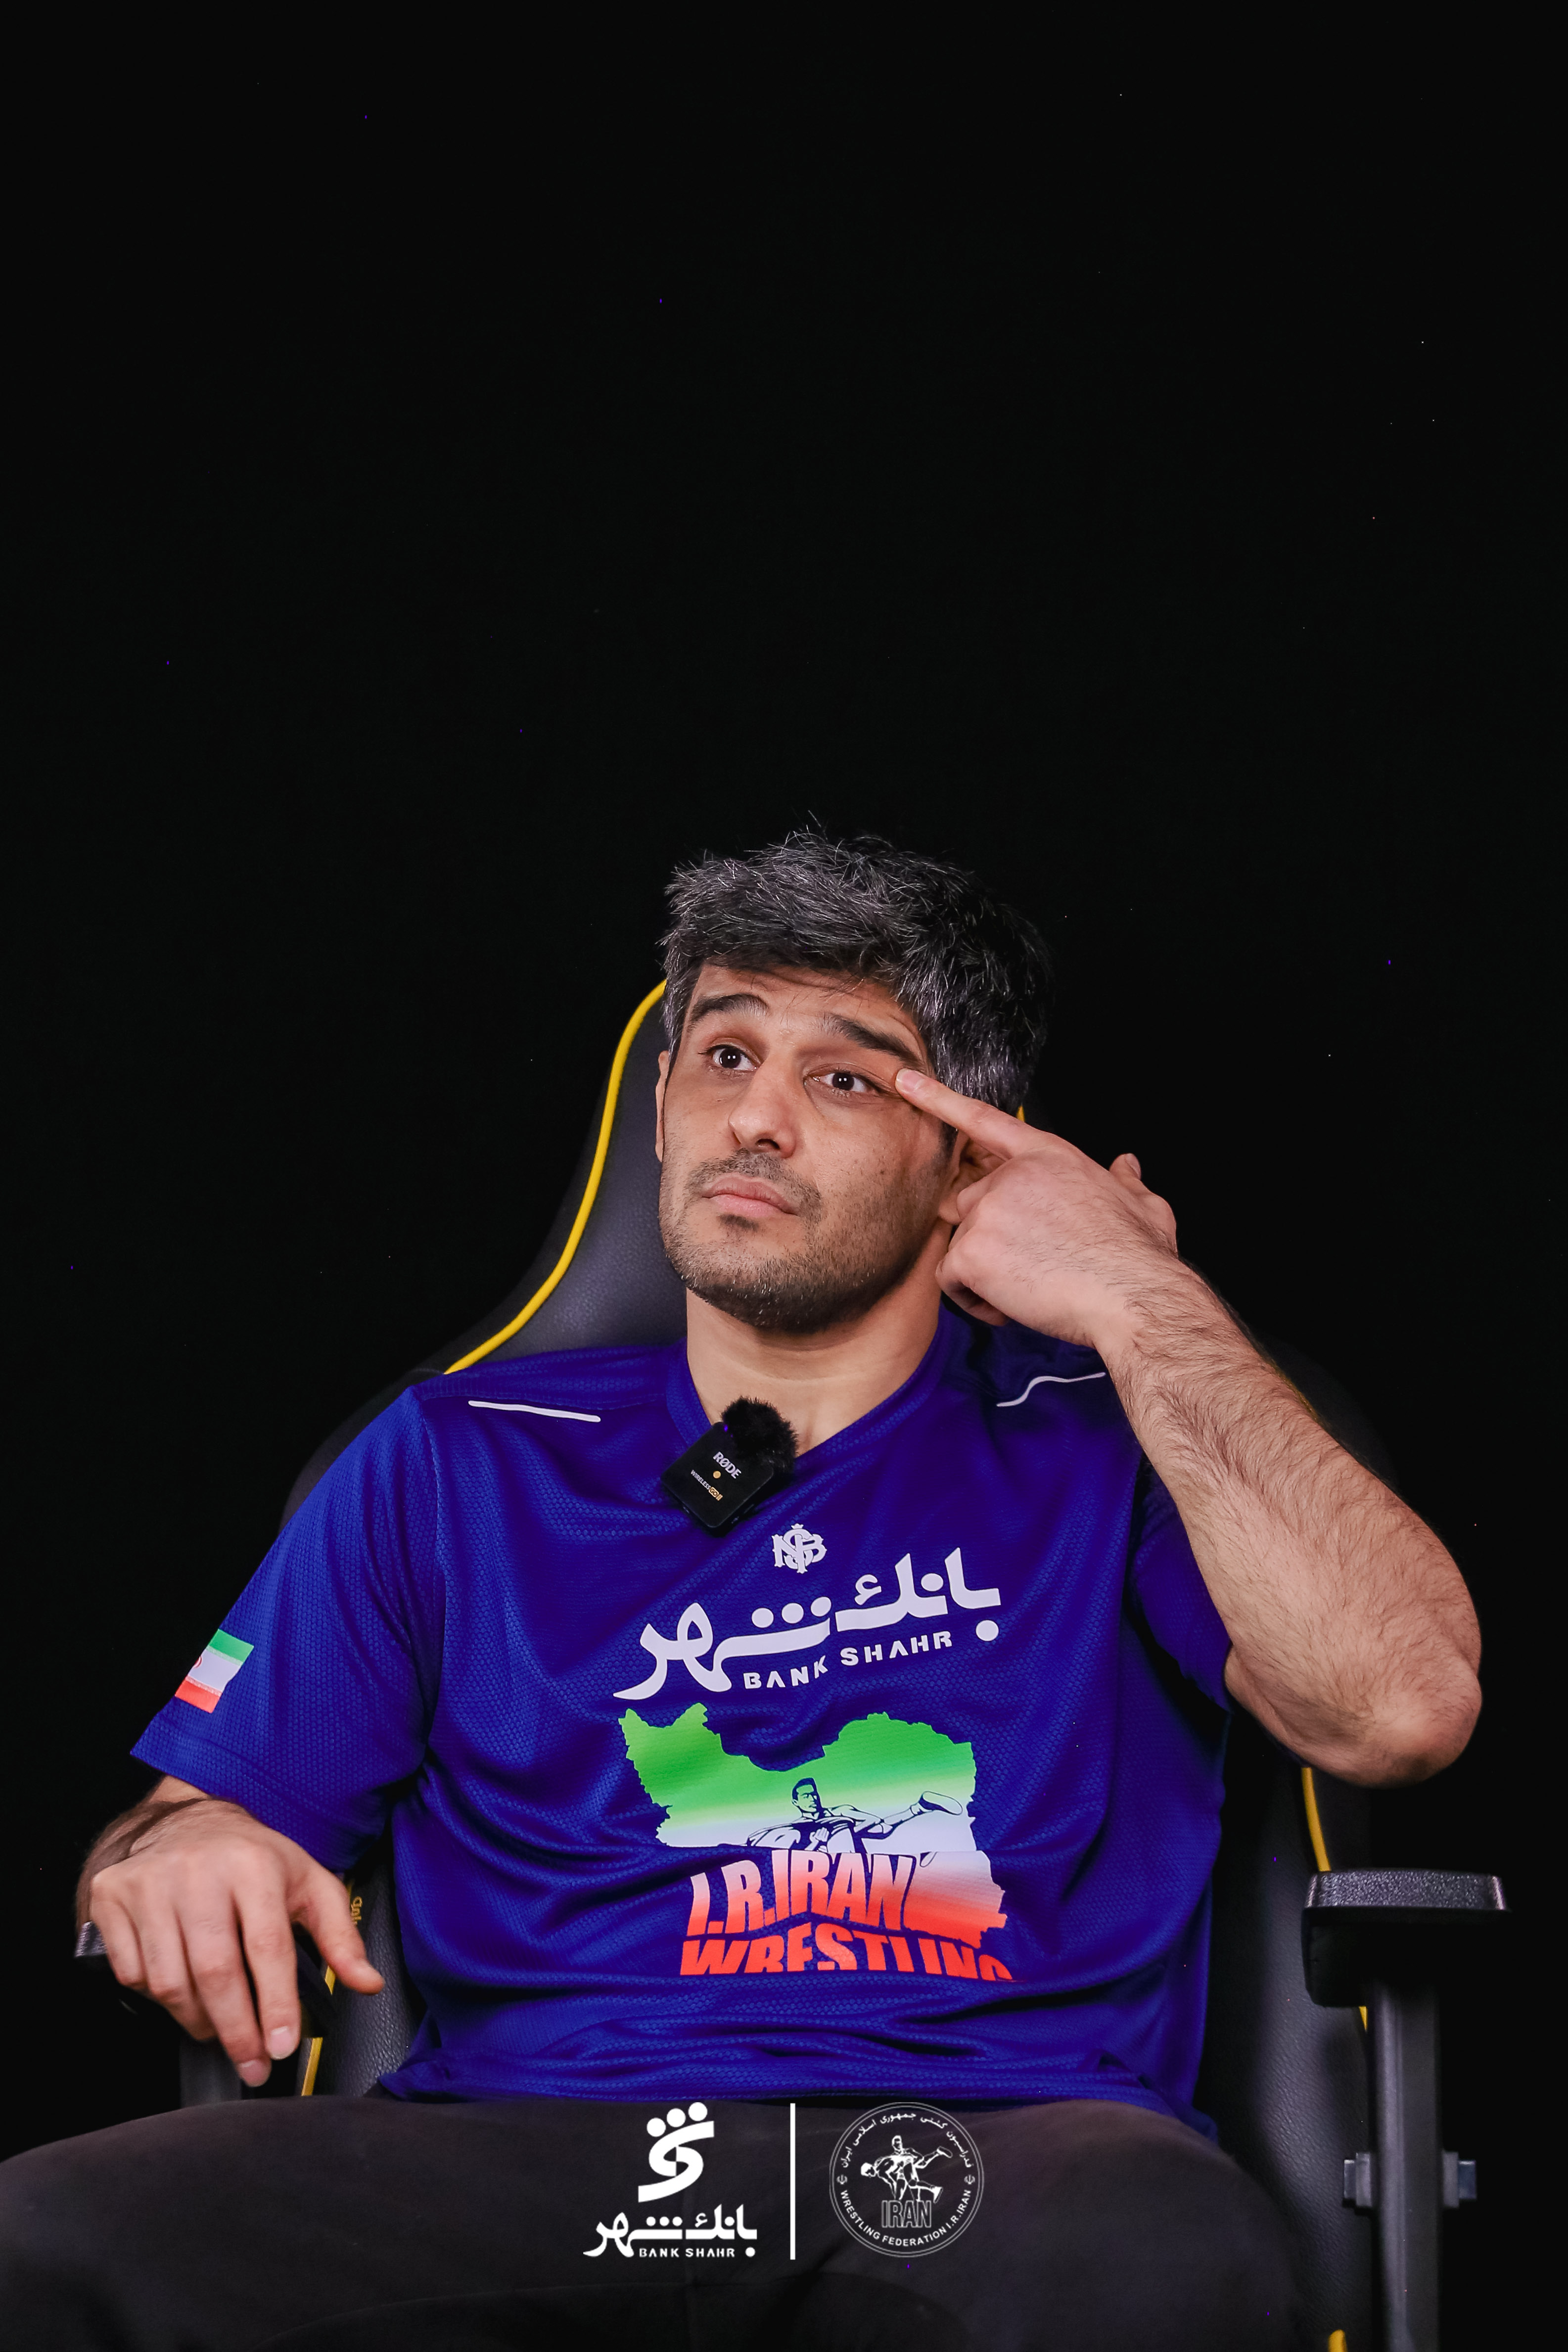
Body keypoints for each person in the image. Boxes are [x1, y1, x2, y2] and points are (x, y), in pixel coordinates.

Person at [1, 836, 1481, 2351]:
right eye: (722, 1054)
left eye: (843, 1077)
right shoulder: (454, 1454)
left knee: (1149, 2248)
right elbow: (195, 1810)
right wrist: (188, 1840)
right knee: (39, 2240)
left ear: (968, 1157)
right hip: (524, 2154)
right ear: (660, 1109)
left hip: (971, 2159)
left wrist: (1137, 1298)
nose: (755, 1115)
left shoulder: (1118, 1440)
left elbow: (1401, 1710)